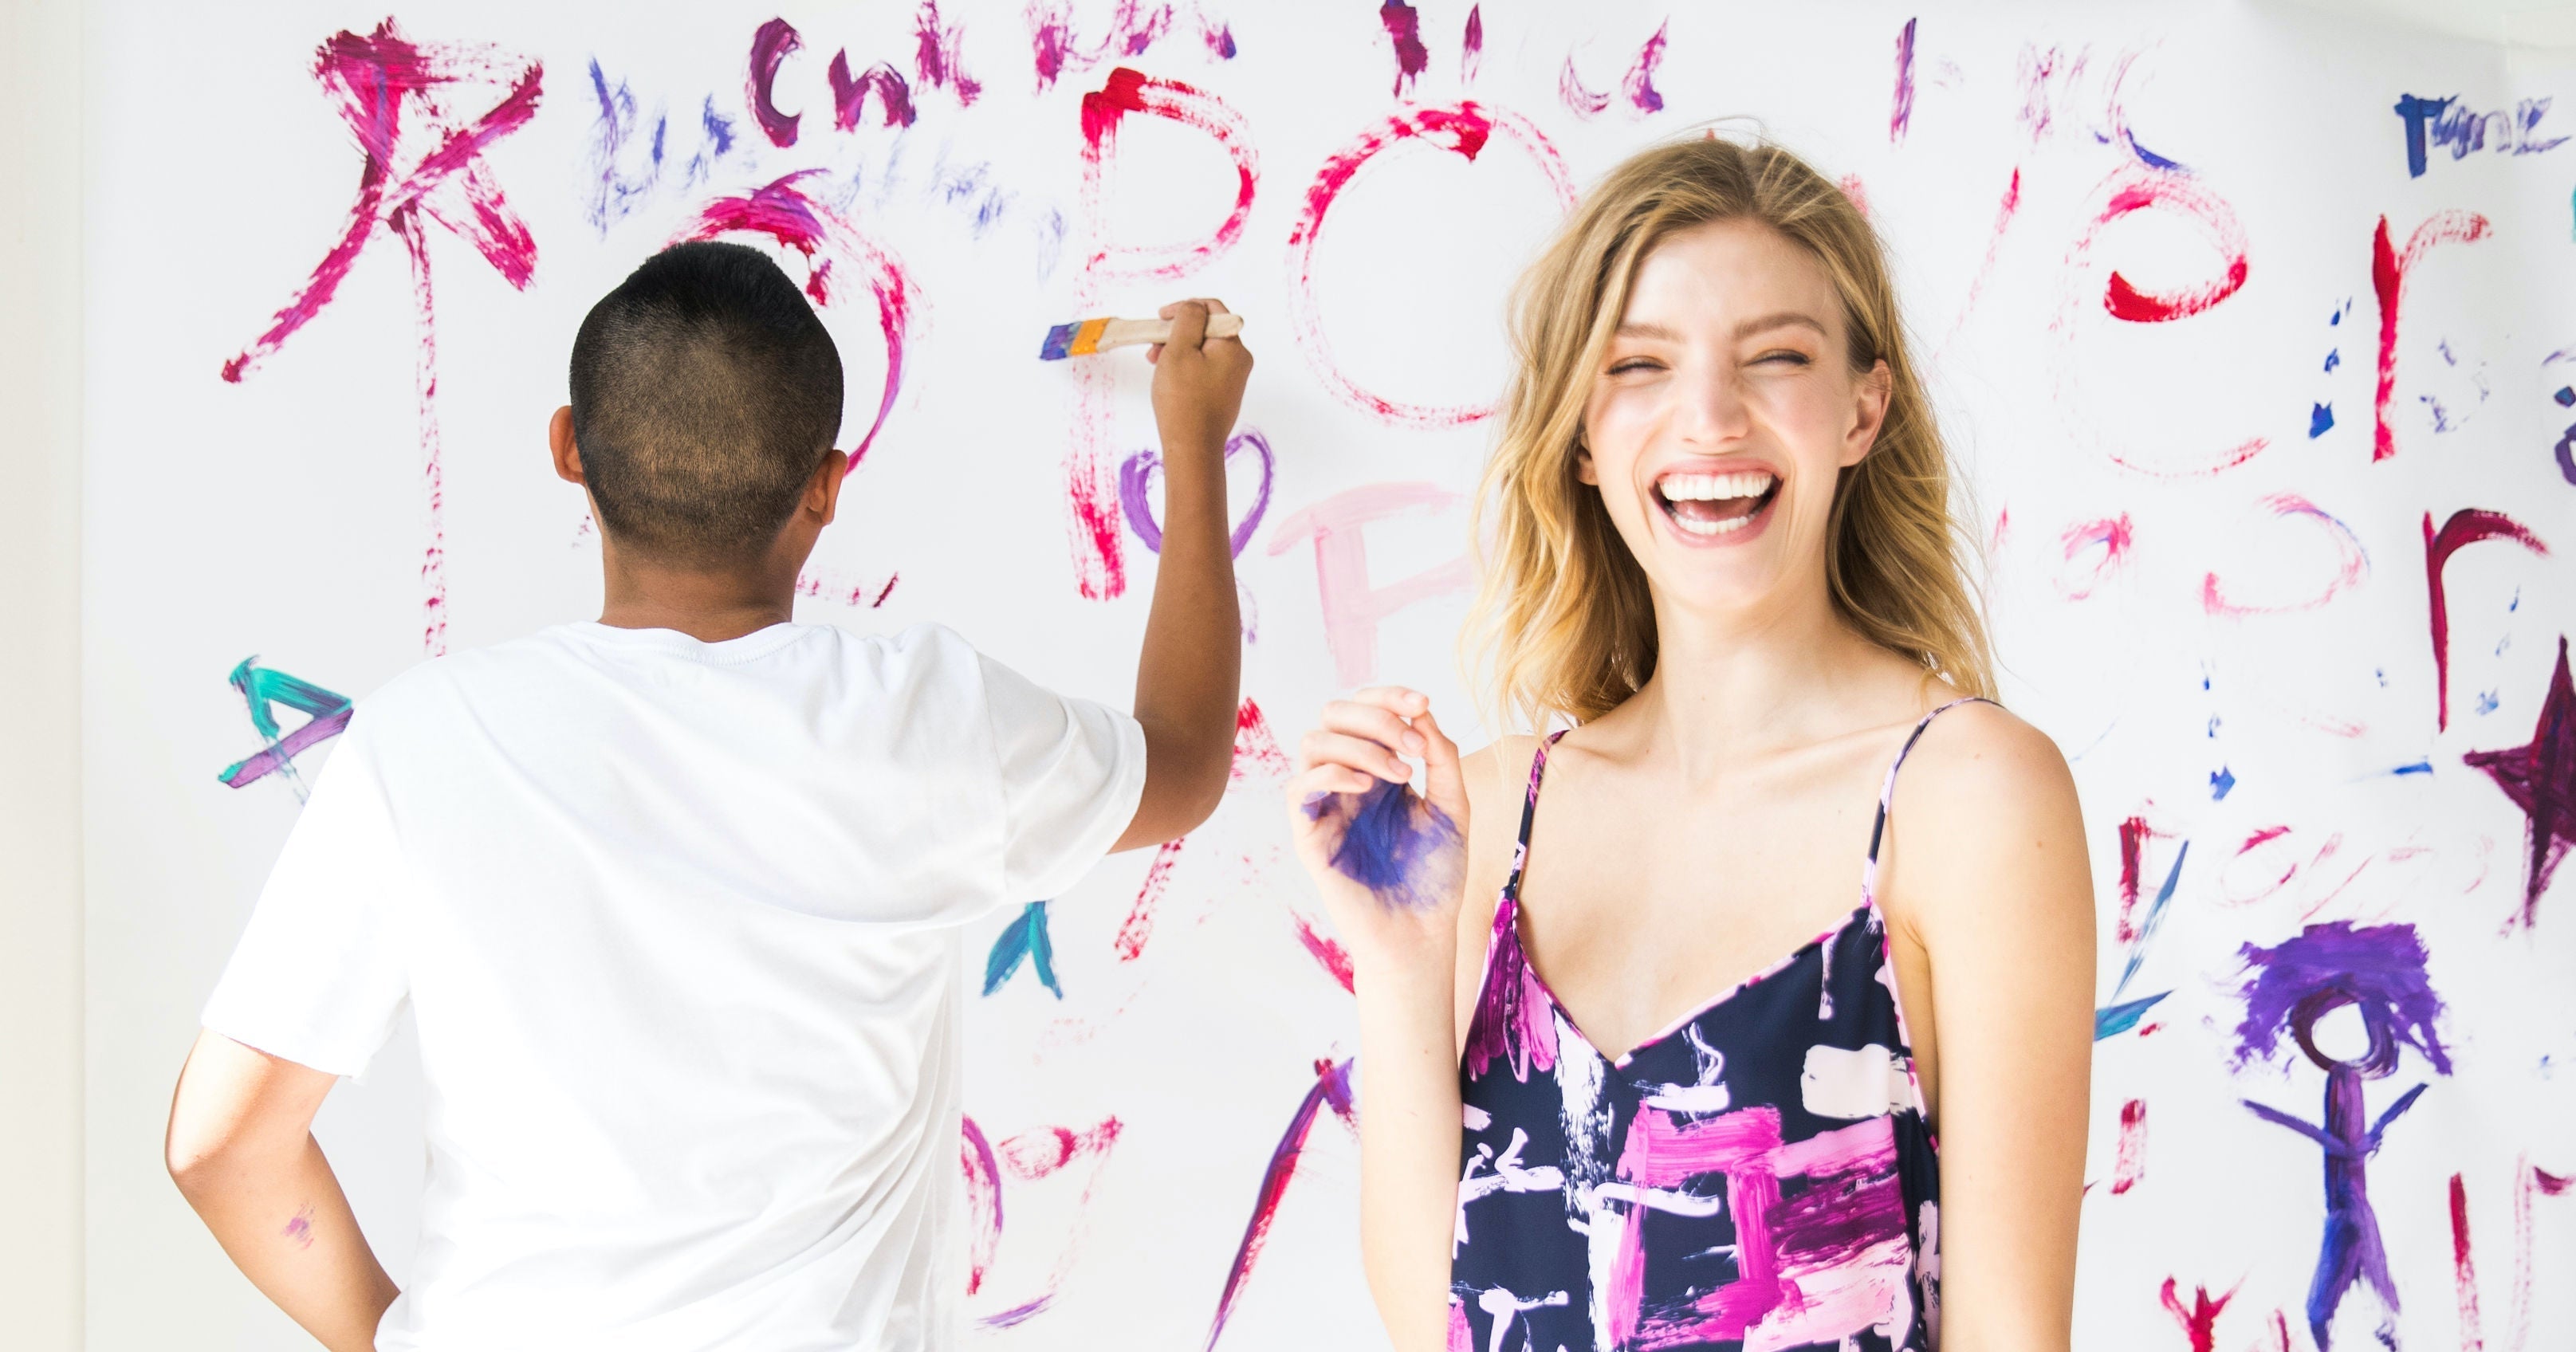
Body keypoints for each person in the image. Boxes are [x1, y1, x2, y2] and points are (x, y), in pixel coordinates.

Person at [164, 241, 1251, 1351]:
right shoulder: (924, 725)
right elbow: (1185, 762)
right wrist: (1194, 443)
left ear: (567, 451)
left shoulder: (419, 741)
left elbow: (219, 1146)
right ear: (827, 488)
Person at [1289, 136, 2093, 1352]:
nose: (1709, 418)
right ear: (1579, 434)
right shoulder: (1498, 809)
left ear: (1863, 408)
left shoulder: (1962, 796)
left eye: (1776, 358)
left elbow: (2014, 1336)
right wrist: (1400, 967)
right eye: (1640, 366)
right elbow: (1437, 1322)